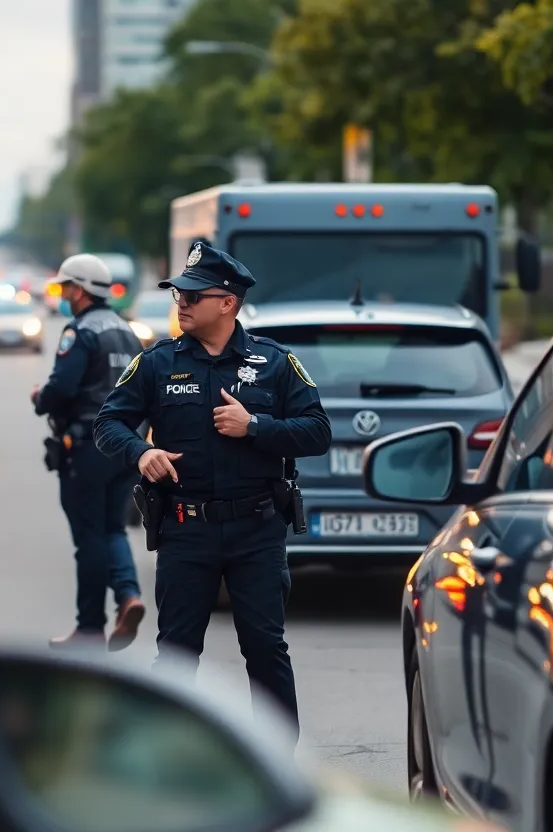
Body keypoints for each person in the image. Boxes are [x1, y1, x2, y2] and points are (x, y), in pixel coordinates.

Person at [93, 241, 332, 741]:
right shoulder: (157, 362)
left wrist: (256, 427)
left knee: (265, 647)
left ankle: (279, 762)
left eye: (193, 296)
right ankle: (159, 761)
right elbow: (108, 422)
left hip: (257, 531)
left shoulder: (273, 363)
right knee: (177, 652)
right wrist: (140, 452)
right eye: (179, 293)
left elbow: (317, 431)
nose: (181, 302)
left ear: (227, 302)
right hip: (186, 530)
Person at [33, 253, 147, 651]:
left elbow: (63, 387)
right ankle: (128, 596)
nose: (63, 295)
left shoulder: (79, 331)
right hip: (127, 447)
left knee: (89, 538)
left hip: (87, 446)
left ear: (79, 290)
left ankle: (89, 628)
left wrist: (41, 399)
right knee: (113, 527)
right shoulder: (126, 331)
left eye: (66, 288)